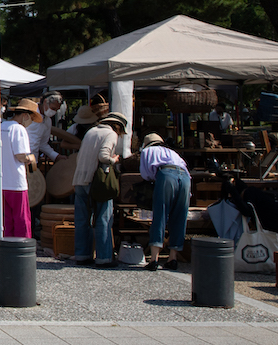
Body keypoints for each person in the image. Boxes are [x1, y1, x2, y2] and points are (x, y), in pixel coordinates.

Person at [70, 110, 128, 266]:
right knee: (103, 218)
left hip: (80, 180)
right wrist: (113, 159)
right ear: (118, 127)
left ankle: (82, 255)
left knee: (82, 219)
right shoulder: (110, 134)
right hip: (96, 182)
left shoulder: (91, 131)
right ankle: (104, 257)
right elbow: (103, 156)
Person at [139, 132, 190, 270]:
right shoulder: (173, 152)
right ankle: (173, 257)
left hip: (166, 175)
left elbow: (146, 174)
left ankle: (154, 259)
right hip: (185, 178)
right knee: (179, 217)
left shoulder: (147, 151)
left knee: (160, 214)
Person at [0, 98, 39, 239]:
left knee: (6, 219)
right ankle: (23, 247)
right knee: (21, 218)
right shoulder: (19, 129)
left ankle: (7, 246)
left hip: (0, 181)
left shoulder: (1, 126)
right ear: (26, 115)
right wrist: (30, 158)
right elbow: (21, 155)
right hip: (15, 181)